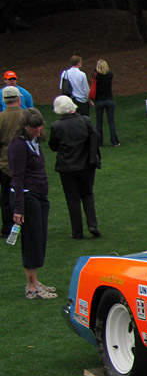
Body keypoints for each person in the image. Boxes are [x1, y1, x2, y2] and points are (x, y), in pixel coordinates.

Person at [8, 108, 56, 299]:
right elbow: (17, 178)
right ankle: (32, 286)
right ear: (24, 127)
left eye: (39, 126)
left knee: (40, 238)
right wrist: (19, 208)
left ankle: (35, 281)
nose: (37, 130)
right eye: (33, 127)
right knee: (32, 240)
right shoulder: (18, 146)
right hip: (28, 197)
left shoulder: (33, 141)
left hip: (39, 196)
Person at [49, 95, 102, 239]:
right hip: (86, 165)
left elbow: (53, 146)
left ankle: (77, 231)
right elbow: (95, 136)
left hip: (67, 168)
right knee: (88, 194)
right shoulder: (85, 121)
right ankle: (93, 225)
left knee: (73, 200)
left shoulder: (57, 126)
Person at [1, 86, 24, 238]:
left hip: (4, 163)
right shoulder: (26, 116)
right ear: (19, 99)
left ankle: (7, 226)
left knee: (5, 197)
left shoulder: (1, 117)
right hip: (24, 162)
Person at [91, 59, 120, 147]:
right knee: (111, 121)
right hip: (109, 99)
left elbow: (94, 74)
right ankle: (114, 141)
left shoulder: (96, 76)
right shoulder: (110, 75)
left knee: (99, 122)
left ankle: (99, 142)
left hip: (99, 100)